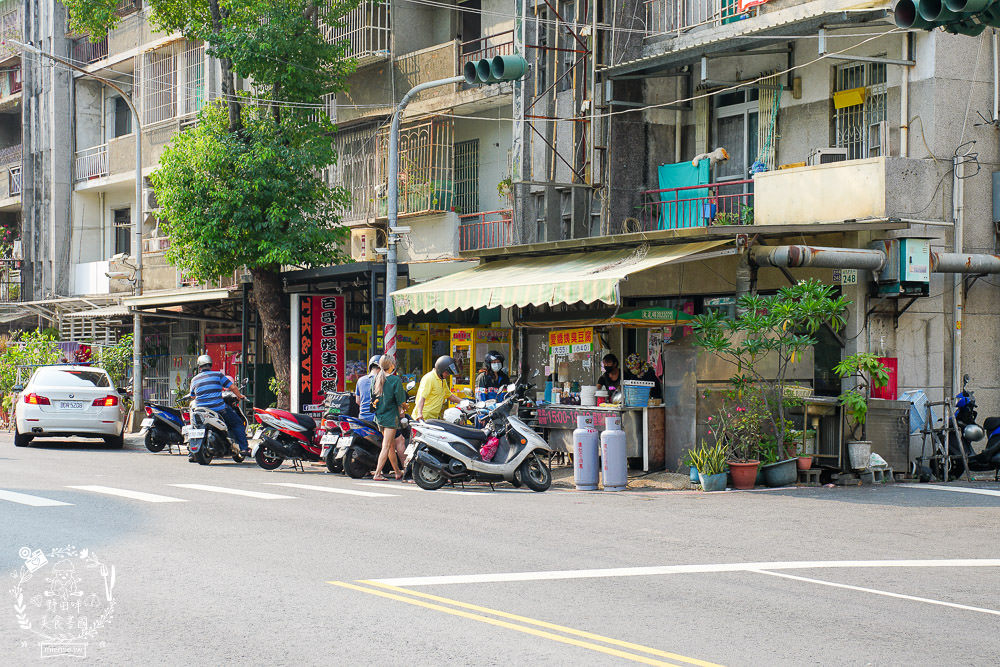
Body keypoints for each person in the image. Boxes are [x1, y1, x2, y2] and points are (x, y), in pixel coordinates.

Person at [188, 354, 249, 461]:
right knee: (237, 423)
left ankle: (191, 453)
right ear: (210, 365)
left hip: (199, 409)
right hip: (218, 409)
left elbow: (192, 396)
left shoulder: (194, 379)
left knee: (194, 426)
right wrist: (240, 396)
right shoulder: (217, 375)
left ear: (199, 366)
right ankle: (244, 448)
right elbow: (233, 387)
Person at [371, 355, 407, 481]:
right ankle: (377, 473)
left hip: (379, 417)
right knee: (386, 446)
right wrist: (405, 406)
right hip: (391, 418)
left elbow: (373, 399)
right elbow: (400, 400)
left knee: (390, 445)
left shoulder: (375, 379)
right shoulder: (395, 380)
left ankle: (397, 471)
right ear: (391, 365)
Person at [413, 355, 461, 421]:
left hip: (433, 418)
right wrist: (419, 414)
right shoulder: (429, 378)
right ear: (440, 369)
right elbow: (422, 398)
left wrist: (464, 402)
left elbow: (449, 396)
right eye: (446, 372)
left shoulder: (442, 380)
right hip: (423, 418)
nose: (447, 375)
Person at [355, 355, 381, 422]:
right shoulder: (384, 380)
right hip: (378, 420)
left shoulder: (360, 380)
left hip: (363, 418)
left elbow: (358, 401)